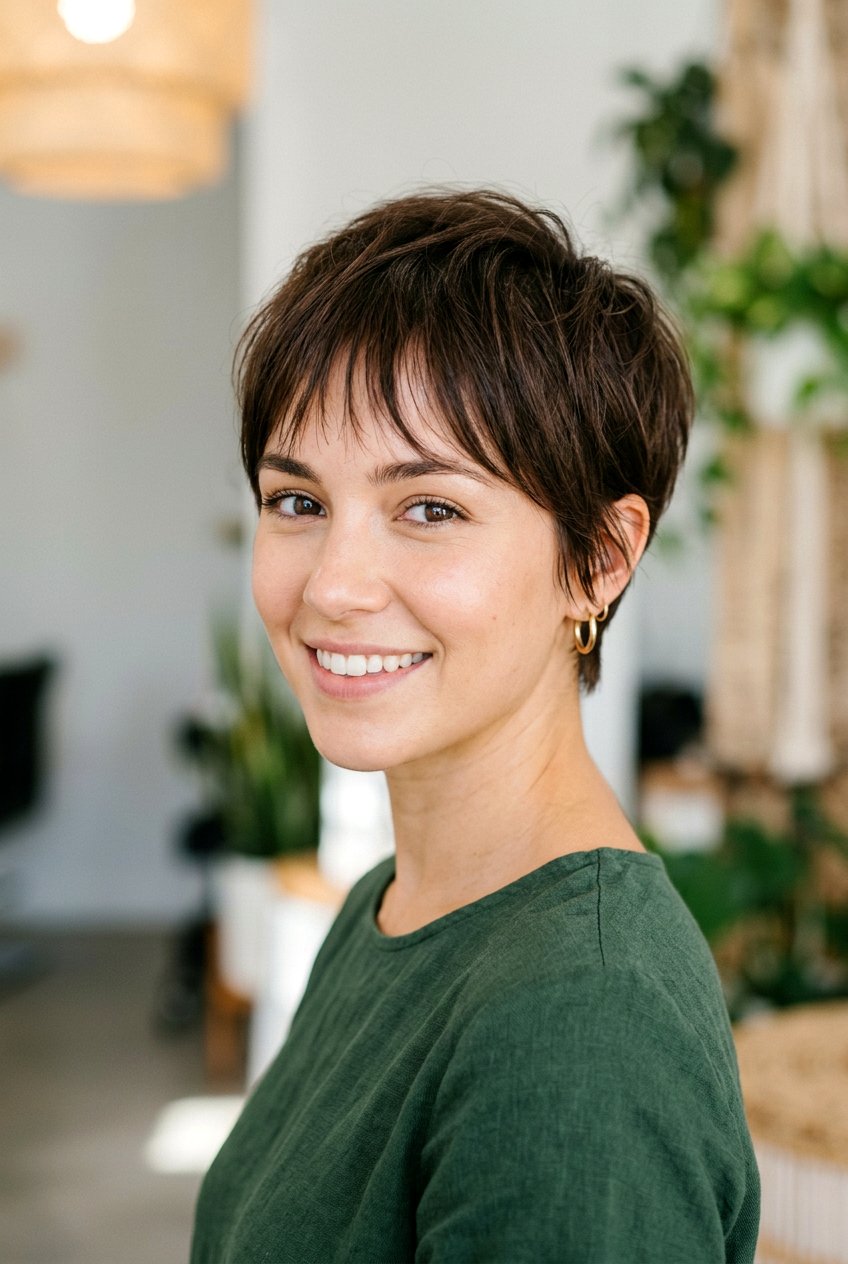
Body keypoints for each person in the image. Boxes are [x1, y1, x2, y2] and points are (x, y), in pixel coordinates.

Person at [191, 188, 760, 1262]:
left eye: (429, 508)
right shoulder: (396, 904)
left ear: (595, 558)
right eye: (297, 500)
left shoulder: (580, 1021)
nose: (336, 587)